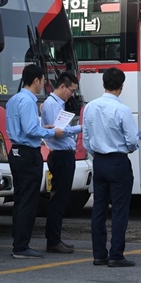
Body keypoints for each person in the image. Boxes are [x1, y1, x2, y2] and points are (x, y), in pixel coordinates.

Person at [82, 67, 139, 268]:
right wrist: (130, 148)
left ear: (103, 84)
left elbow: (86, 138)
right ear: (121, 87)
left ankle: (99, 254)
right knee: (120, 210)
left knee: (98, 208)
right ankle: (116, 254)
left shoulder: (90, 107)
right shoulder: (122, 109)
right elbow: (132, 140)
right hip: (118, 161)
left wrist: (95, 151)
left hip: (99, 161)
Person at [6, 64, 64, 259]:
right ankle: (22, 246)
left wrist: (42, 127)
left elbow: (25, 127)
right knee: (29, 201)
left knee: (20, 198)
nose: (43, 84)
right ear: (36, 80)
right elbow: (31, 130)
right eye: (42, 80)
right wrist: (51, 132)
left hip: (15, 151)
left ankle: (18, 241)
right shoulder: (29, 101)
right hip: (28, 154)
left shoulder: (14, 99)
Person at [40, 71, 81, 254]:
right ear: (62, 86)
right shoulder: (51, 104)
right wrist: (82, 127)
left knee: (62, 198)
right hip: (60, 154)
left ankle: (56, 238)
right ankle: (53, 240)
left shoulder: (58, 104)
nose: (71, 94)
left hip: (64, 153)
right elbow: (60, 130)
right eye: (70, 90)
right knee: (58, 198)